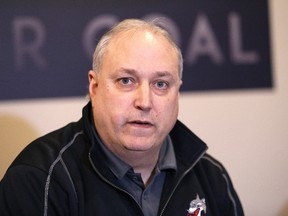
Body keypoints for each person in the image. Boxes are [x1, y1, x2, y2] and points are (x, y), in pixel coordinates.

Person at [0, 18, 244, 216]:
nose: (145, 102)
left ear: (177, 92)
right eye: (126, 81)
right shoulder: (38, 178)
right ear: (94, 88)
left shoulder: (211, 176)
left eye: (160, 84)